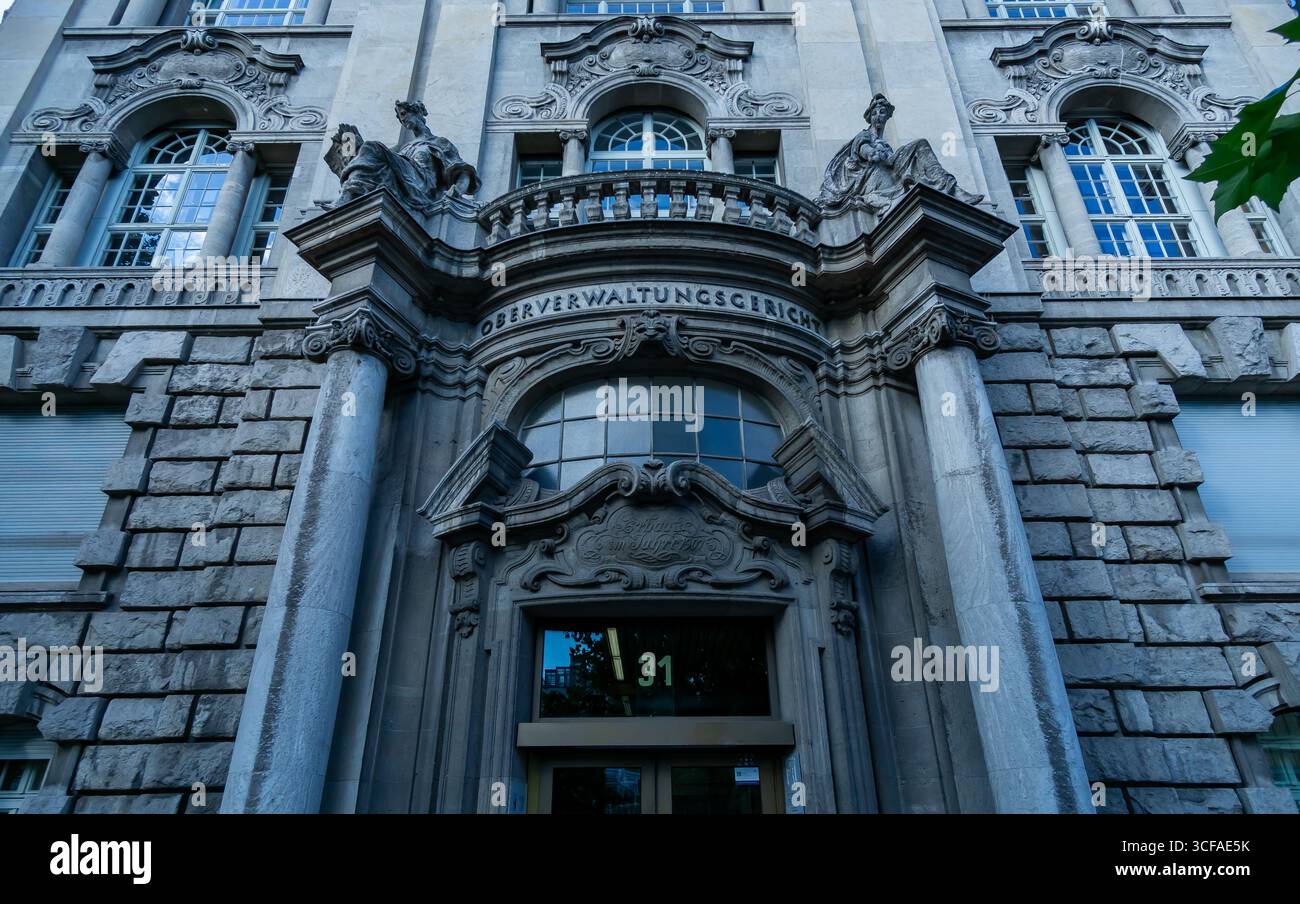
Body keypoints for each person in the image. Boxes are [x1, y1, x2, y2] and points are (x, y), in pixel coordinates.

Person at [816, 93, 983, 216]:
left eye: (882, 112)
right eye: (874, 113)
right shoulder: (864, 135)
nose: (878, 117)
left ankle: (949, 189)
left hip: (887, 169)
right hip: (870, 179)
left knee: (921, 146)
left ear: (888, 115)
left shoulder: (883, 142)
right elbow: (865, 150)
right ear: (870, 117)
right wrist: (874, 153)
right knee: (920, 144)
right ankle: (950, 189)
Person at [326, 100, 481, 214]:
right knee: (364, 148)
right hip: (403, 180)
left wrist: (456, 191)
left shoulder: (438, 142)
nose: (403, 120)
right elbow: (381, 165)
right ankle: (350, 193)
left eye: (404, 114)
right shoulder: (404, 148)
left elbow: (463, 172)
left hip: (421, 184)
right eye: (400, 118)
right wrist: (356, 147)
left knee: (372, 146)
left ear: (417, 113)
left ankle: (348, 194)